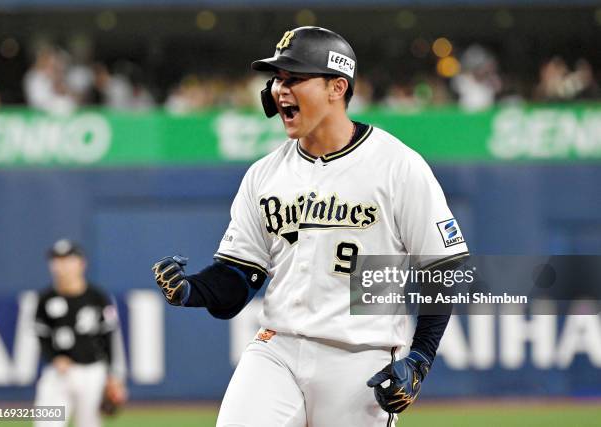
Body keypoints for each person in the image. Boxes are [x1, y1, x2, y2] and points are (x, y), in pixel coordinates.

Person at [153, 26, 468, 426]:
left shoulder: (397, 166)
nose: (280, 90)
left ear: (337, 87)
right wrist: (193, 290)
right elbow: (241, 276)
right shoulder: (264, 174)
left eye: (295, 78)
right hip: (277, 348)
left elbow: (442, 268)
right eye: (278, 80)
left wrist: (421, 358)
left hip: (361, 358)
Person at [34, 239, 127, 427]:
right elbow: (42, 336)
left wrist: (114, 376)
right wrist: (54, 357)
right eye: (56, 261)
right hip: (58, 374)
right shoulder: (45, 299)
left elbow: (110, 339)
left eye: (67, 260)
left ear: (81, 264)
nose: (61, 266)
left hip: (91, 372)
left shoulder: (98, 297)